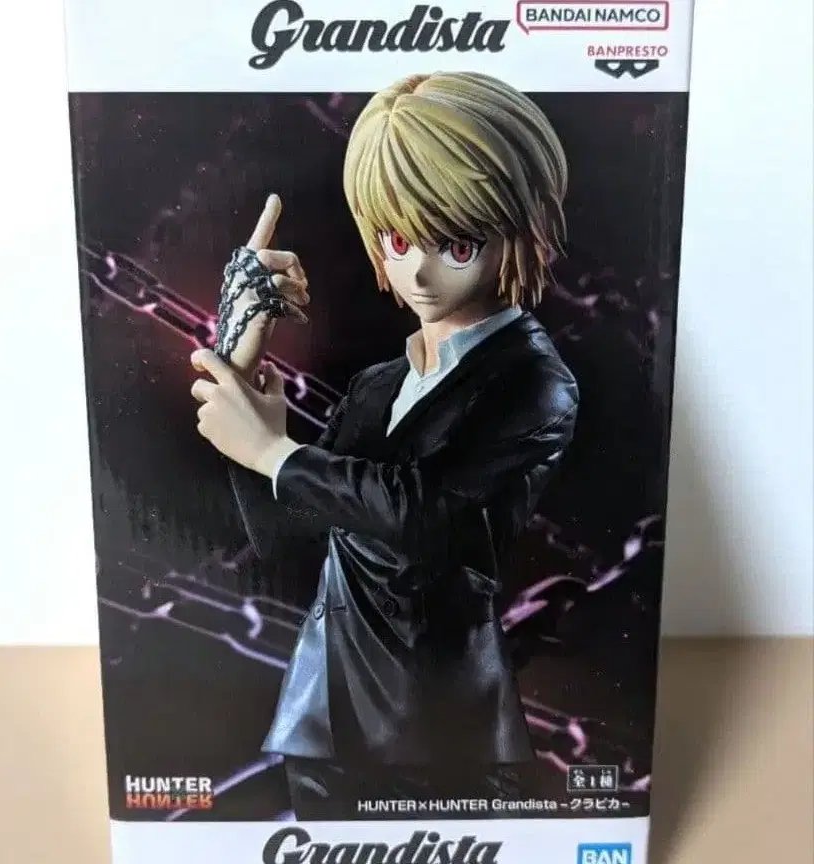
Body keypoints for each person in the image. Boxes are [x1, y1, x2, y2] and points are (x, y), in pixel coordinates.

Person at [190, 71, 579, 819]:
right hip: (322, 720)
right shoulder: (378, 386)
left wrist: (275, 452)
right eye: (398, 240)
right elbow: (288, 534)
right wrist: (240, 365)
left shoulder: (534, 382)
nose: (419, 270)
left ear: (520, 227)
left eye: (457, 243)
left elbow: (424, 514)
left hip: (439, 732)